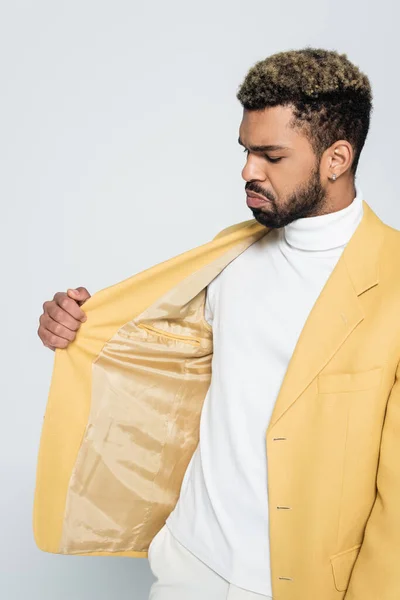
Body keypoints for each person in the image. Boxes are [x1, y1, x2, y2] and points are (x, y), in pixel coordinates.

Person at [36, 48, 400, 600]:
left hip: (297, 585)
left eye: (270, 155)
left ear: (336, 158)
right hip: (187, 567)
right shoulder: (228, 256)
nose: (247, 170)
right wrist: (76, 326)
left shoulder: (392, 282)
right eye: (246, 150)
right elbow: (154, 358)